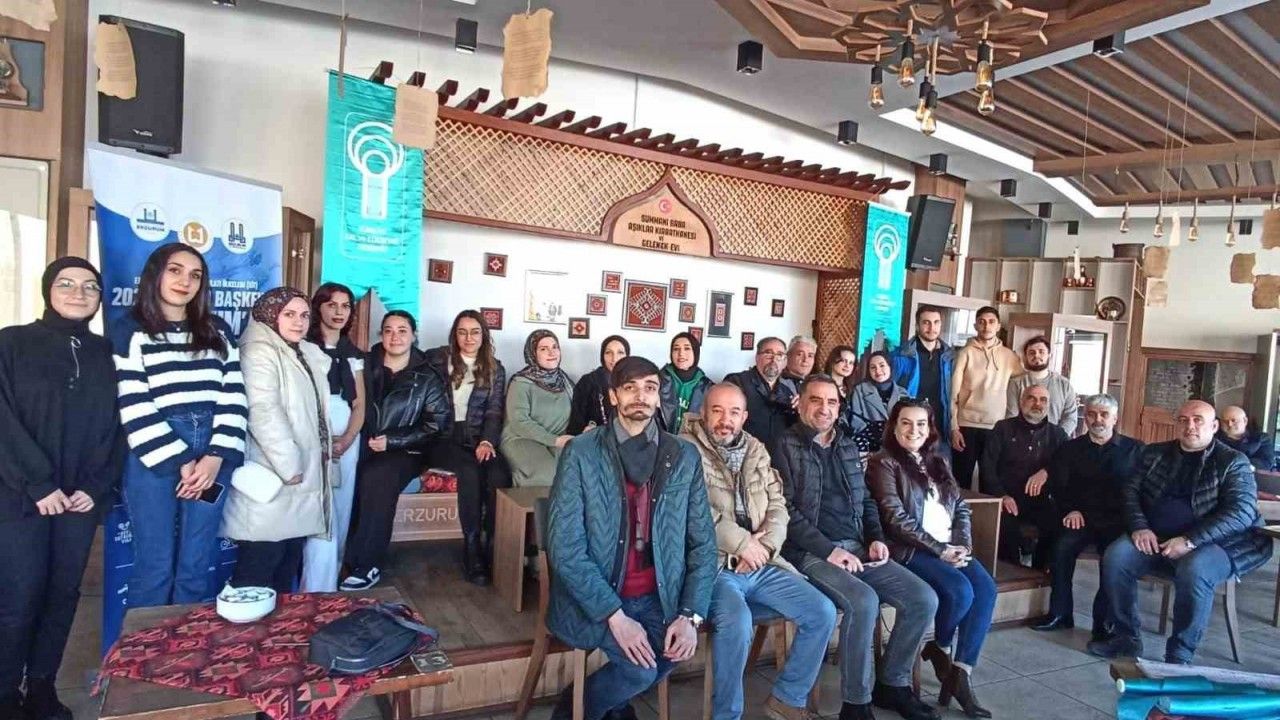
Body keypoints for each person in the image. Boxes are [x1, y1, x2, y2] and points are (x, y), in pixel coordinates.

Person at [545, 357, 716, 720]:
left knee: (674, 652)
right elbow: (565, 548)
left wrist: (690, 615)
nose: (641, 396)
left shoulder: (683, 455)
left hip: (659, 595)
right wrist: (614, 615)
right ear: (613, 396)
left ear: (659, 396)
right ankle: (575, 708)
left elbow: (703, 544)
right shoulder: (582, 452)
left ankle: (608, 702)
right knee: (639, 671)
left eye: (650, 388)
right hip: (596, 595)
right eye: (630, 388)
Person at [0, 258, 125, 720]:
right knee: (19, 598)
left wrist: (96, 485)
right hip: (20, 497)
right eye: (66, 283)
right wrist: (38, 483)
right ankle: (5, 694)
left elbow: (118, 426)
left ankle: (42, 688)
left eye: (90, 286)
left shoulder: (106, 353)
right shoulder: (11, 343)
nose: (78, 293)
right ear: (47, 289)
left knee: (62, 596)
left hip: (79, 501)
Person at [774, 375, 939, 720]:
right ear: (800, 404)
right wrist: (829, 551)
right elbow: (784, 511)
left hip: (857, 547)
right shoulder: (784, 445)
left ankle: (892, 684)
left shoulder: (847, 445)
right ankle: (856, 703)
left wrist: (875, 537)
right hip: (809, 553)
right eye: (816, 400)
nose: (824, 408)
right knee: (863, 601)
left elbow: (865, 500)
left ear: (839, 407)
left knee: (923, 598)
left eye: (832, 402)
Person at [683, 383, 836, 720]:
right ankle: (727, 715)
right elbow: (694, 512)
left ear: (744, 417)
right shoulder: (684, 450)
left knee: (821, 611)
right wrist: (743, 544)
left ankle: (787, 697)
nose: (725, 420)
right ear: (703, 413)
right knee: (737, 622)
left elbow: (778, 505)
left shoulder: (756, 449)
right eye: (717, 411)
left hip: (763, 562)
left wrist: (763, 547)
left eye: (734, 412)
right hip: (714, 566)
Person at [111, 243, 246, 608]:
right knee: (154, 566)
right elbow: (134, 402)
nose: (185, 281)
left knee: (196, 563)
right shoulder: (130, 331)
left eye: (195, 275)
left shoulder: (218, 331)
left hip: (213, 456)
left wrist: (215, 458)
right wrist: (181, 460)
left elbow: (234, 394)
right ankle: (145, 645)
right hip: (153, 456)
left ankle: (187, 641)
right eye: (175, 270)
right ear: (155, 274)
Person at [1089, 400, 1274, 664]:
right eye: (1184, 420)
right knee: (1116, 557)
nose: (1190, 426)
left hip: (1219, 542)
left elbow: (1241, 512)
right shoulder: (1154, 453)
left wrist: (1190, 541)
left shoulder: (1233, 461)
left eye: (1198, 420)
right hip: (1156, 536)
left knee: (1195, 568)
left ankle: (1179, 654)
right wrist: (1140, 527)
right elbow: (1130, 492)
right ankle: (1126, 638)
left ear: (1214, 426)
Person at [867, 399, 995, 719]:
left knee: (986, 589)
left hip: (950, 547)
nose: (914, 430)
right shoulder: (883, 463)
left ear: (930, 428)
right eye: (906, 423)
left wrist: (962, 545)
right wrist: (940, 550)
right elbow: (894, 518)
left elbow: (960, 507)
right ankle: (940, 647)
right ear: (894, 426)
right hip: (911, 550)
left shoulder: (938, 459)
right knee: (960, 591)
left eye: (921, 423)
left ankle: (960, 671)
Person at [221, 288, 332, 593]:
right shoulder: (259, 350)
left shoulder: (300, 351)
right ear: (270, 315)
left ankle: (280, 625)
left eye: (304, 315)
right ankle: (249, 625)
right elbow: (263, 411)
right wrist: (290, 464)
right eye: (289, 314)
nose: (299, 322)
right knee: (259, 566)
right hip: (275, 472)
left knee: (286, 565)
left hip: (300, 475)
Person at [341, 311, 450, 591]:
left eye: (402, 330)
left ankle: (367, 564)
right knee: (345, 471)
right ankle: (338, 556)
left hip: (406, 451)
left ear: (413, 336)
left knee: (378, 475)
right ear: (381, 335)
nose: (395, 337)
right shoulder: (364, 365)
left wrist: (393, 441)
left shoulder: (427, 376)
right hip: (361, 442)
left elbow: (435, 424)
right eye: (388, 330)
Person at [1032, 394, 1142, 639]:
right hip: (1080, 517)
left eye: (1104, 414)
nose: (1097, 419)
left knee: (1113, 561)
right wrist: (1070, 509)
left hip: (1117, 522)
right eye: (1092, 414)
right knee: (1060, 549)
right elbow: (1058, 487)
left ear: (1115, 418)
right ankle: (1060, 614)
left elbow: (1141, 491)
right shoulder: (1070, 449)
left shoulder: (1135, 450)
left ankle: (1103, 624)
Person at [425, 310, 511, 585]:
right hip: (443, 437)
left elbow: (494, 412)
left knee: (499, 473)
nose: (469, 338)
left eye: (475, 332)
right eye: (462, 332)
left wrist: (487, 441)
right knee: (470, 471)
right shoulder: (437, 360)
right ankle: (472, 548)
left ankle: (492, 545)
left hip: (476, 437)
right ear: (455, 335)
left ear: (484, 335)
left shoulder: (495, 368)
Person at [301, 282, 365, 592]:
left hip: (346, 439)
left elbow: (360, 404)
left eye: (345, 306)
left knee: (341, 506)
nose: (339, 312)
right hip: (311, 436)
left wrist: (347, 439)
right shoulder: (303, 348)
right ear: (319, 308)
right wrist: (321, 440)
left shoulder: (353, 354)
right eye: (332, 305)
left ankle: (332, 580)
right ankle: (310, 585)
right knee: (317, 512)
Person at [980, 385, 1067, 568]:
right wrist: (1002, 495)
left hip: (1042, 500)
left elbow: (1066, 466)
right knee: (1004, 527)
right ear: (1021, 401)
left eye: (1043, 400)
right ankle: (1013, 572)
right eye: (1031, 398)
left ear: (1048, 404)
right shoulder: (1002, 428)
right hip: (1006, 498)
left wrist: (1047, 471)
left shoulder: (1058, 435)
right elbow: (987, 467)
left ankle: (1039, 574)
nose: (1037, 404)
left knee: (1056, 525)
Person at [949, 307, 1020, 489]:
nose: (986, 326)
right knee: (961, 480)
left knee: (990, 481)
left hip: (996, 427)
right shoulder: (965, 353)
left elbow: (1024, 381)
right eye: (981, 322)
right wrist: (954, 428)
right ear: (975, 326)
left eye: (991, 322)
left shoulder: (1009, 356)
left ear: (998, 326)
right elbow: (952, 394)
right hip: (966, 425)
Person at [502, 330, 574, 487]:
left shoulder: (565, 382)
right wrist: (554, 440)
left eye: (555, 347)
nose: (551, 352)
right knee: (549, 474)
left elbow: (577, 414)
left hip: (557, 440)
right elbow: (519, 422)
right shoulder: (521, 382)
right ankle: (519, 499)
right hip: (522, 438)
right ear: (533, 354)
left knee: (575, 471)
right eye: (543, 349)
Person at [890, 306, 954, 444]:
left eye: (936, 322)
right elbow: (890, 391)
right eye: (926, 322)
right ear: (917, 325)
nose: (932, 328)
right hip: (911, 428)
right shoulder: (901, 356)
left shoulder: (950, 356)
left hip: (940, 426)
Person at [725, 337, 798, 450]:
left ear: (785, 362)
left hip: (778, 455)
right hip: (744, 452)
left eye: (779, 355)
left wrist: (800, 411)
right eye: (768, 353)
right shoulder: (737, 382)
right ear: (757, 357)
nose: (774, 360)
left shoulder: (787, 392)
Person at [1005, 336, 1078, 435]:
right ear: (1025, 356)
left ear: (1049, 355)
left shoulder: (1064, 384)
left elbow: (1070, 417)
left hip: (1055, 440)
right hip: (1023, 439)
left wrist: (1058, 437)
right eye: (1032, 352)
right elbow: (1012, 416)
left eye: (1041, 352)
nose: (1036, 355)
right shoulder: (1016, 383)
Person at [567, 335, 629, 434]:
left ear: (627, 356)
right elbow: (576, 422)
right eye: (608, 352)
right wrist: (584, 431)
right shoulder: (588, 382)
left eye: (620, 352)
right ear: (602, 356)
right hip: (595, 438)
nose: (614, 358)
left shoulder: (634, 382)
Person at [658, 332, 713, 433]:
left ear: (695, 352)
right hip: (660, 437)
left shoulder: (708, 387)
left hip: (691, 439)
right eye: (676, 349)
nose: (681, 354)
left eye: (687, 348)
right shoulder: (658, 379)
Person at [845, 350, 905, 438]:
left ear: (890, 367)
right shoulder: (860, 390)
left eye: (882, 365)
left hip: (896, 441)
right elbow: (856, 422)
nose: (878, 371)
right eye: (873, 367)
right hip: (868, 440)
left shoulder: (903, 393)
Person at [1217, 405, 1275, 472]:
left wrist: (1240, 464)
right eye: (1225, 421)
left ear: (1245, 421)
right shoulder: (1215, 439)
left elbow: (1267, 462)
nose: (1229, 424)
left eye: (1233, 420)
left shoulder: (1261, 438)